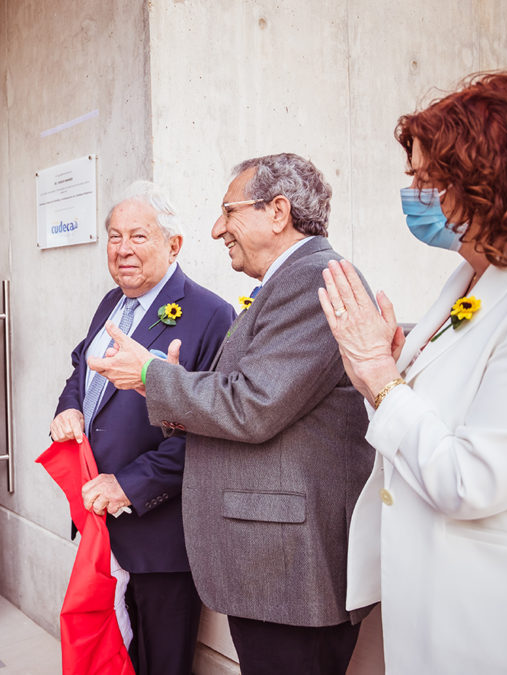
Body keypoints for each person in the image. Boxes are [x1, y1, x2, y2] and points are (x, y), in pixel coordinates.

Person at [318, 72, 507, 673]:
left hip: (502, 616)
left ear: (495, 178)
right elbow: (431, 412)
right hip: (418, 593)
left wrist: (380, 377)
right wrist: (394, 370)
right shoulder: (475, 273)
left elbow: (473, 479)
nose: (416, 196)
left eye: (429, 181)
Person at [90, 154, 375, 674]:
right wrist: (170, 382)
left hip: (291, 568)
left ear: (278, 212)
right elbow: (254, 393)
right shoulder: (291, 282)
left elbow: (253, 405)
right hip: (276, 564)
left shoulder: (313, 283)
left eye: (228, 211)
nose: (218, 228)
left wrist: (153, 379)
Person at [49, 182, 233, 673]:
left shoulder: (210, 314)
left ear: (174, 244)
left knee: (160, 660)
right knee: (112, 651)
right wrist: (69, 408)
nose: (123, 249)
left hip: (160, 531)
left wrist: (128, 485)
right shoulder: (111, 302)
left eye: (138, 236)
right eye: (114, 236)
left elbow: (211, 427)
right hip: (100, 519)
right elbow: (80, 368)